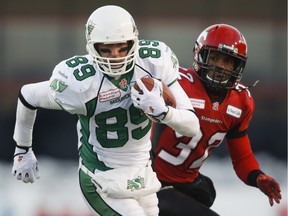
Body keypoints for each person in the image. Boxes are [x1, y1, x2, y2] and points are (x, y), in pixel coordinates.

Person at [11, 5, 200, 216]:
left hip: (143, 176)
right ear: (93, 48)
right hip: (101, 179)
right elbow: (28, 95)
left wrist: (164, 113)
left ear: (134, 43)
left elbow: (192, 126)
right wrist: (22, 149)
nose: (115, 57)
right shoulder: (81, 82)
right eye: (106, 49)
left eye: (122, 48)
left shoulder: (154, 63)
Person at [153, 24, 282, 215]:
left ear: (237, 66)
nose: (220, 66)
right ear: (200, 55)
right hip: (153, 181)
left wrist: (257, 177)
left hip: (186, 181)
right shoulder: (176, 83)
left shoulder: (241, 101)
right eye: (214, 58)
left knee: (206, 193)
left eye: (228, 61)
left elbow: (242, 157)